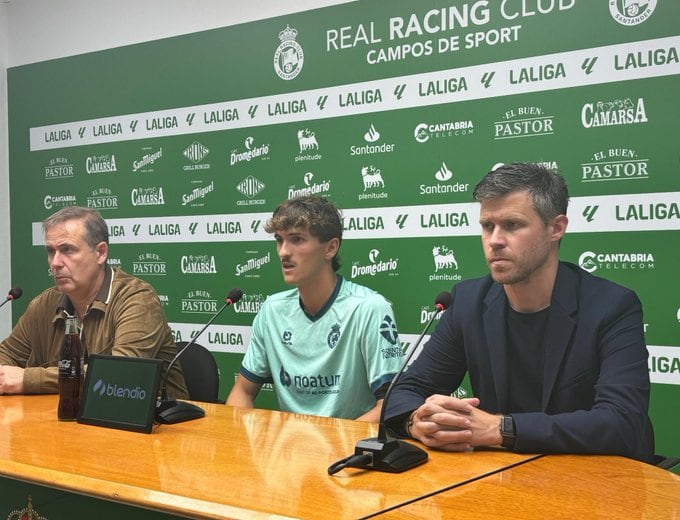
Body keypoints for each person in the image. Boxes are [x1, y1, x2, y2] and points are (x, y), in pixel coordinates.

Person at [384, 163, 654, 463]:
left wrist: (500, 429)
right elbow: (406, 391)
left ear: (556, 228)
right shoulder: (468, 301)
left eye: (512, 225)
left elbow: (623, 423)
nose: (495, 240)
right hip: (501, 478)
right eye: (487, 226)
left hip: (594, 480)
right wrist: (416, 421)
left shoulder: (612, 305)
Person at [226, 196, 403, 421]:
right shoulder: (271, 310)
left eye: (297, 239)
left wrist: (338, 448)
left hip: (349, 450)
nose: (283, 252)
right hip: (290, 450)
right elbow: (242, 391)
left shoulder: (369, 308)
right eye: (279, 240)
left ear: (330, 248)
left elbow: (390, 404)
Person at [0, 206, 188, 399]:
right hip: (66, 421)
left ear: (101, 253)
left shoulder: (137, 299)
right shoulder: (45, 304)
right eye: (51, 251)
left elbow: (118, 373)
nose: (55, 262)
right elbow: (6, 355)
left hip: (154, 425)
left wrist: (28, 379)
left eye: (67, 250)